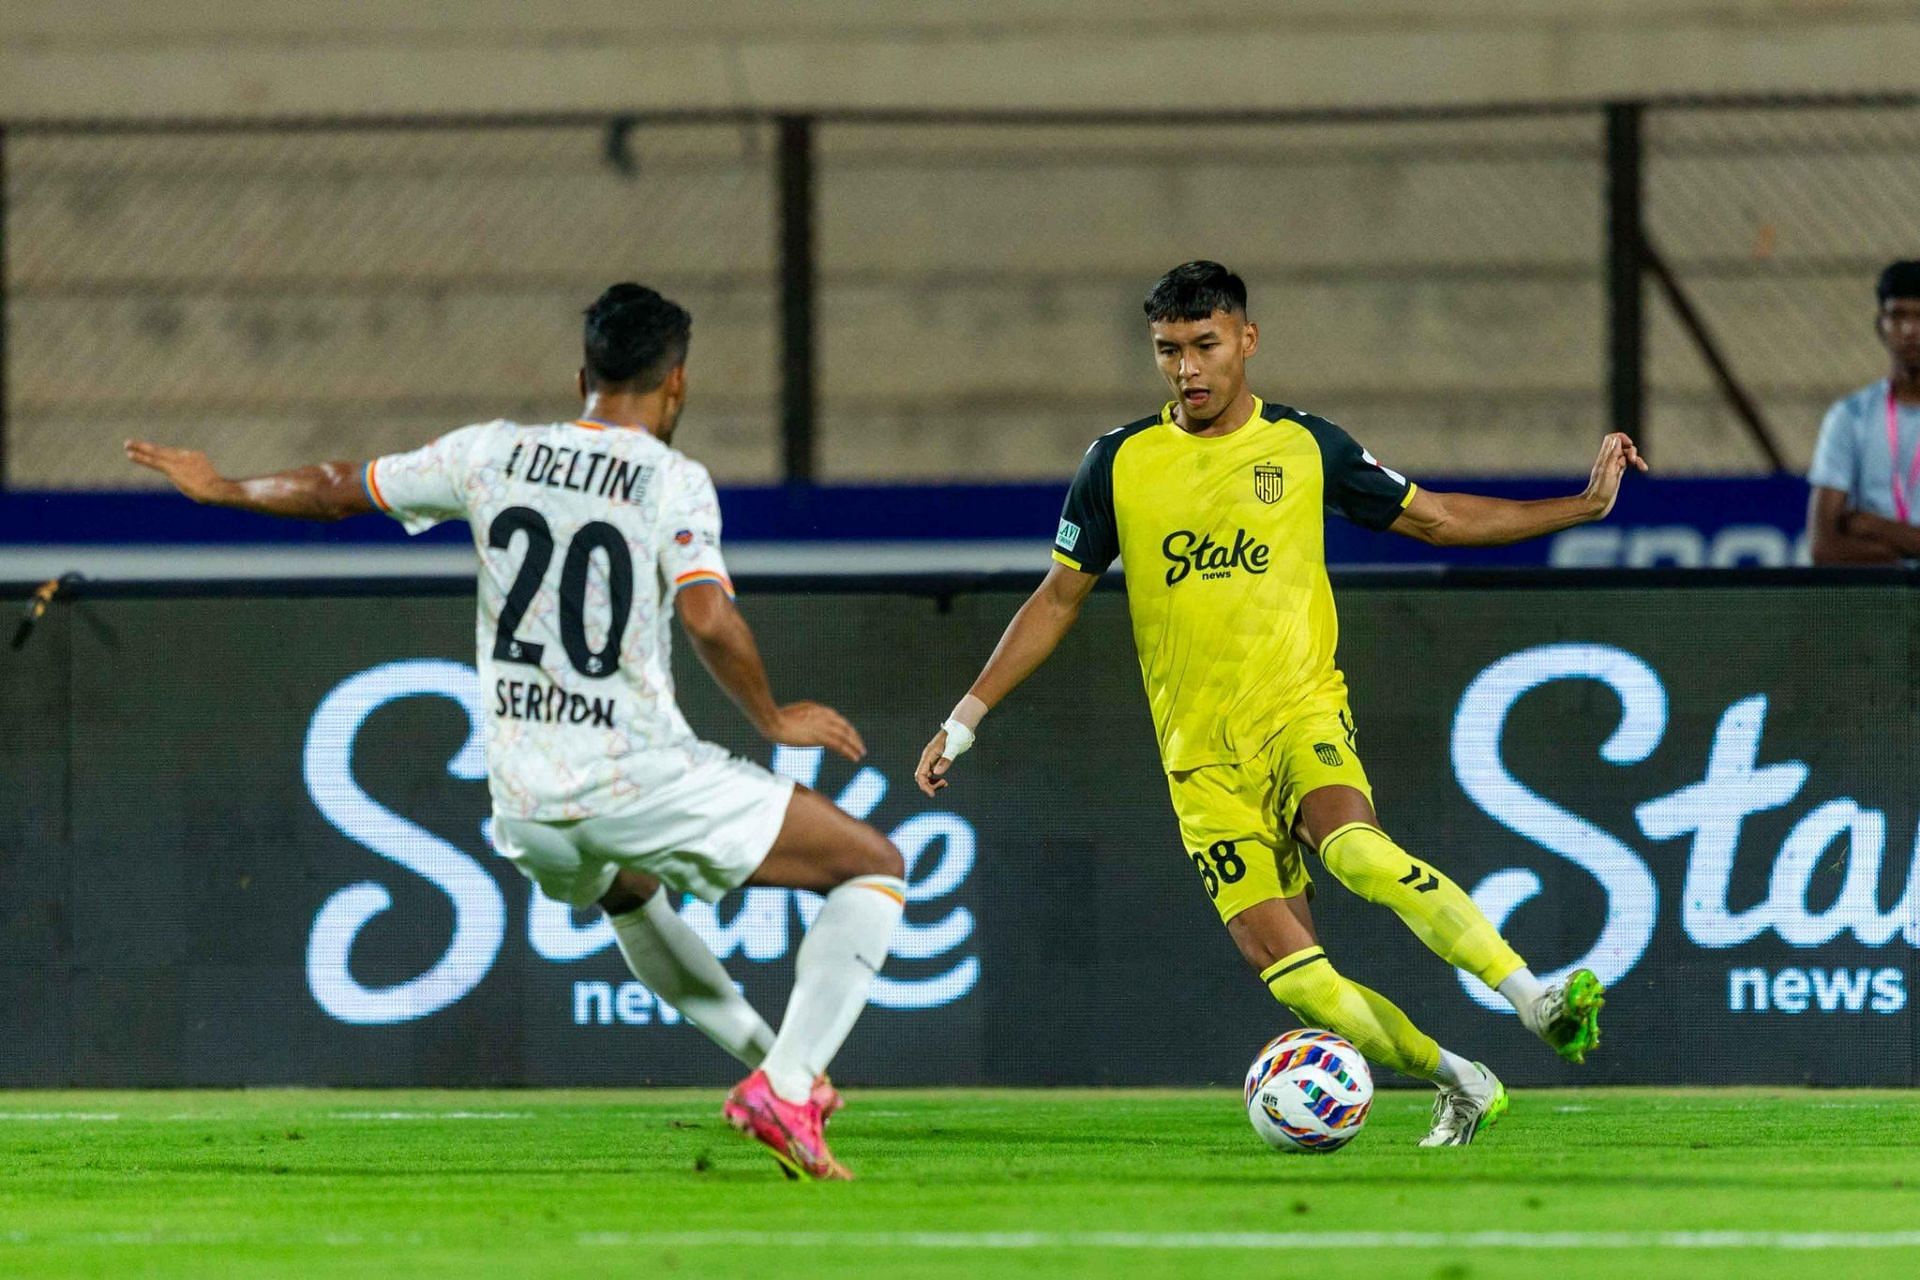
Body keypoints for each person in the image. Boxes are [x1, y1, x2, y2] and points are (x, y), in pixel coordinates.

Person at [126, 282, 903, 1182]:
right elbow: (708, 620)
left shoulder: (492, 455)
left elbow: (339, 488)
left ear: (584, 375)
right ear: (677, 384)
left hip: (525, 804)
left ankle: (775, 1065)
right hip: (636, 775)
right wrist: (773, 718)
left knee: (625, 890)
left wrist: (223, 489)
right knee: (873, 868)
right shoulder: (671, 479)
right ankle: (789, 1082)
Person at [916, 261, 1643, 1147]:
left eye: (1204, 346)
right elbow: (1058, 597)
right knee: (1296, 979)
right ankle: (1459, 1079)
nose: (1187, 368)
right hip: (1198, 761)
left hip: (1299, 714)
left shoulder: (1306, 447)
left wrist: (1584, 505)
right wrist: (965, 718)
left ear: (1247, 341)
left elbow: (1437, 519)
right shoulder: (1117, 463)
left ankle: (1534, 997)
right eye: (1168, 351)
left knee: (1360, 857)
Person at [1807, 260, 1920, 565]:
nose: (1910, 330)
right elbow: (1823, 547)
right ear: (1880, 325)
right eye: (1898, 316)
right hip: (1879, 600)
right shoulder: (1850, 416)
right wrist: (1904, 564)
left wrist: (1873, 526)